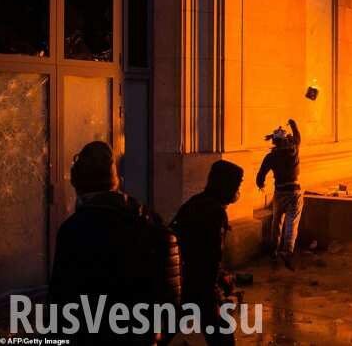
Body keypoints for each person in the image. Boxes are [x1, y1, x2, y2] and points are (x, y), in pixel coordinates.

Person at [49, 141, 181, 346]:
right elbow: (170, 299)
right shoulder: (152, 223)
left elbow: (61, 303)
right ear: (116, 179)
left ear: (77, 182)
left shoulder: (74, 230)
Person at [170, 160, 244, 346]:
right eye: (237, 185)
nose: (237, 191)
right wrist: (216, 292)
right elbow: (211, 259)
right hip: (199, 286)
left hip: (183, 282)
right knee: (223, 337)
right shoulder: (216, 212)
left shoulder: (194, 203)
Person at [256, 119, 302, 271]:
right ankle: (287, 251)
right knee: (291, 222)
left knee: (277, 222)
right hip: (294, 191)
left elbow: (260, 175)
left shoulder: (270, 157)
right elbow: (297, 138)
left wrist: (260, 184)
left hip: (279, 192)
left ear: (274, 142)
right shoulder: (293, 150)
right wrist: (293, 124)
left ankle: (273, 250)